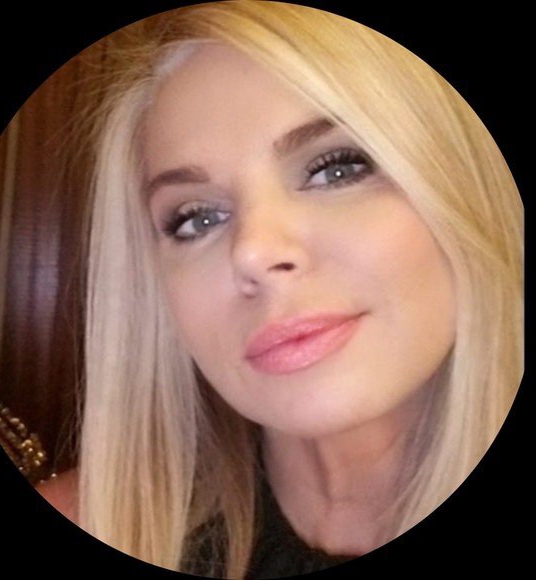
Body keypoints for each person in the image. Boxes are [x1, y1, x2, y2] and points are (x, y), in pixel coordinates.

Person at [37, 2, 524, 577]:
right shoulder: (94, 522)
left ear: (465, 186)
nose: (254, 251)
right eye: (196, 219)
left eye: (336, 169)